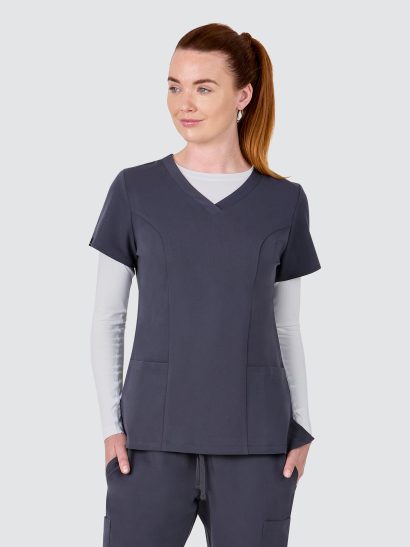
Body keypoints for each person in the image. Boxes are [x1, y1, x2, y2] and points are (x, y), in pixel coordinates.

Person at [89, 22, 321, 547]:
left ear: (243, 96)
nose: (184, 104)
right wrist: (111, 427)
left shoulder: (283, 202)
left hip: (257, 445)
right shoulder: (135, 190)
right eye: (174, 87)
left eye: (203, 88)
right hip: (149, 443)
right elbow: (108, 318)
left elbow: (287, 326)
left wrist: (302, 425)